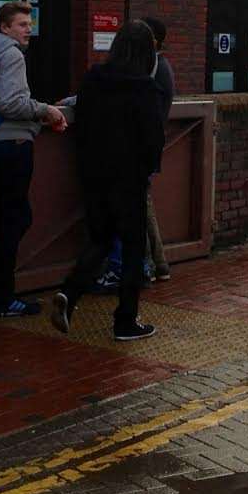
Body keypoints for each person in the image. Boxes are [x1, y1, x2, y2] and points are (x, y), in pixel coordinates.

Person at [50, 21, 166, 341]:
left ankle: (69, 294)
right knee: (132, 249)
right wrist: (146, 169)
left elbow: (83, 125)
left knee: (100, 240)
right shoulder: (145, 88)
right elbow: (153, 138)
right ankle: (125, 321)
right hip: (128, 178)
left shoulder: (92, 80)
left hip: (93, 173)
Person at [0, 2, 66, 317]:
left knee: (13, 217)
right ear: (5, 28)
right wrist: (45, 110)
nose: (29, 30)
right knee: (17, 218)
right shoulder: (11, 55)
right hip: (12, 142)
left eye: (29, 24)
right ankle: (1, 297)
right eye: (22, 24)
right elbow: (10, 103)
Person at [142, 16, 175, 282]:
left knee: (138, 202)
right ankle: (158, 262)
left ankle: (147, 265)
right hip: (149, 143)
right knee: (143, 202)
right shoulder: (157, 66)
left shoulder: (155, 68)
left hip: (144, 145)